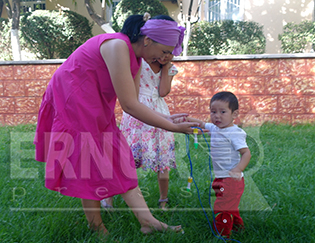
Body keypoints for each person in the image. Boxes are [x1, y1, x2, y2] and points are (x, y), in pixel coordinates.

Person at [33, 13, 198, 237]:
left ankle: (147, 221)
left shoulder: (137, 59)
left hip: (94, 100)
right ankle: (97, 227)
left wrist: (167, 119)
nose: (166, 57)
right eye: (165, 51)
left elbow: (136, 102)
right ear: (148, 40)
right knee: (88, 160)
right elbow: (129, 105)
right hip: (73, 97)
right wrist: (172, 128)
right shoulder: (118, 45)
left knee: (120, 156)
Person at [102, 32, 178, 210]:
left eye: (170, 52)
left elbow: (163, 92)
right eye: (164, 51)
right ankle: (109, 198)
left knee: (163, 159)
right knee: (125, 157)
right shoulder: (140, 61)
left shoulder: (170, 68)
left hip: (159, 111)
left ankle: (163, 200)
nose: (165, 56)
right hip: (136, 110)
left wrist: (166, 68)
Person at [176, 91, 251, 238]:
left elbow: (246, 153)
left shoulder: (234, 133)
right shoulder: (215, 128)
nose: (217, 116)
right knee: (230, 206)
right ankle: (237, 227)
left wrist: (238, 169)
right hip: (220, 178)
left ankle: (223, 236)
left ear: (234, 114)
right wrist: (184, 119)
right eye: (213, 112)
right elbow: (201, 123)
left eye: (223, 112)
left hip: (231, 179)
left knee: (221, 207)